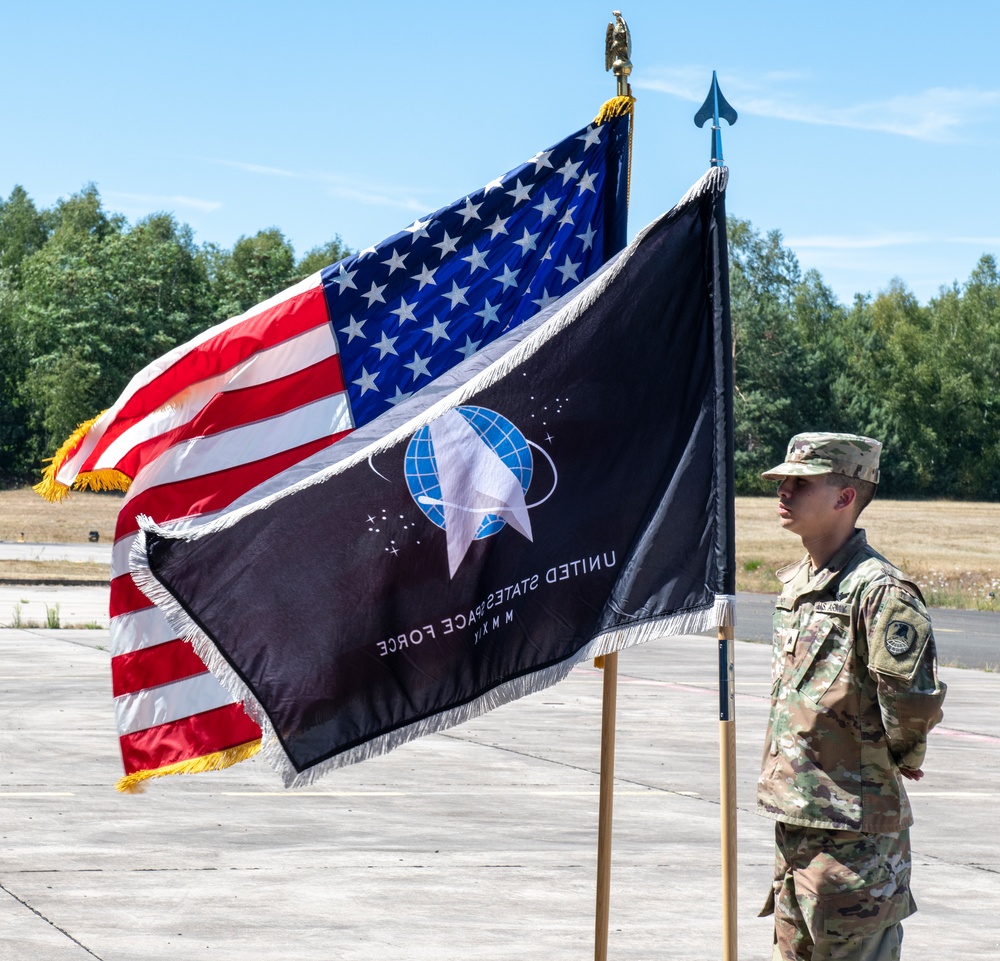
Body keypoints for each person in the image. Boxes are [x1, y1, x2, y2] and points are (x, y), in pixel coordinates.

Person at [756, 433, 947, 961]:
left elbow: (912, 699)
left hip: (855, 838)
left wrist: (903, 752)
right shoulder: (799, 584)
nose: (784, 491)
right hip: (798, 827)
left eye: (802, 482)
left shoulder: (879, 591)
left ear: (845, 497)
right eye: (783, 481)